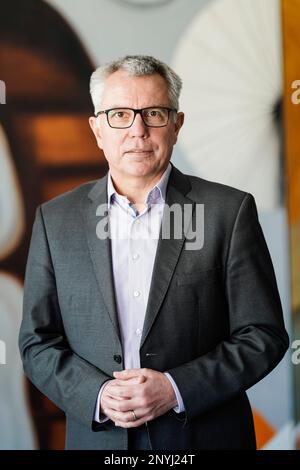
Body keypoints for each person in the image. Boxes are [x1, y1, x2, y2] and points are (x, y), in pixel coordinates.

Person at [19, 55, 289, 450]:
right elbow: (36, 342)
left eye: (155, 114)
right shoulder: (55, 220)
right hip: (100, 442)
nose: (138, 130)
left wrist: (175, 388)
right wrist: (96, 394)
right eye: (119, 115)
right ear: (97, 129)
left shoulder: (227, 213)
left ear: (177, 125)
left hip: (204, 438)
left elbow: (263, 335)